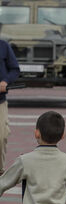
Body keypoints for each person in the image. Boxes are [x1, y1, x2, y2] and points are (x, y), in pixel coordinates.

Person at [0, 39, 20, 175]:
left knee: (1, 136)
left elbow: (15, 69)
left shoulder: (3, 45)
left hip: (0, 102)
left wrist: (5, 81)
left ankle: (0, 170)